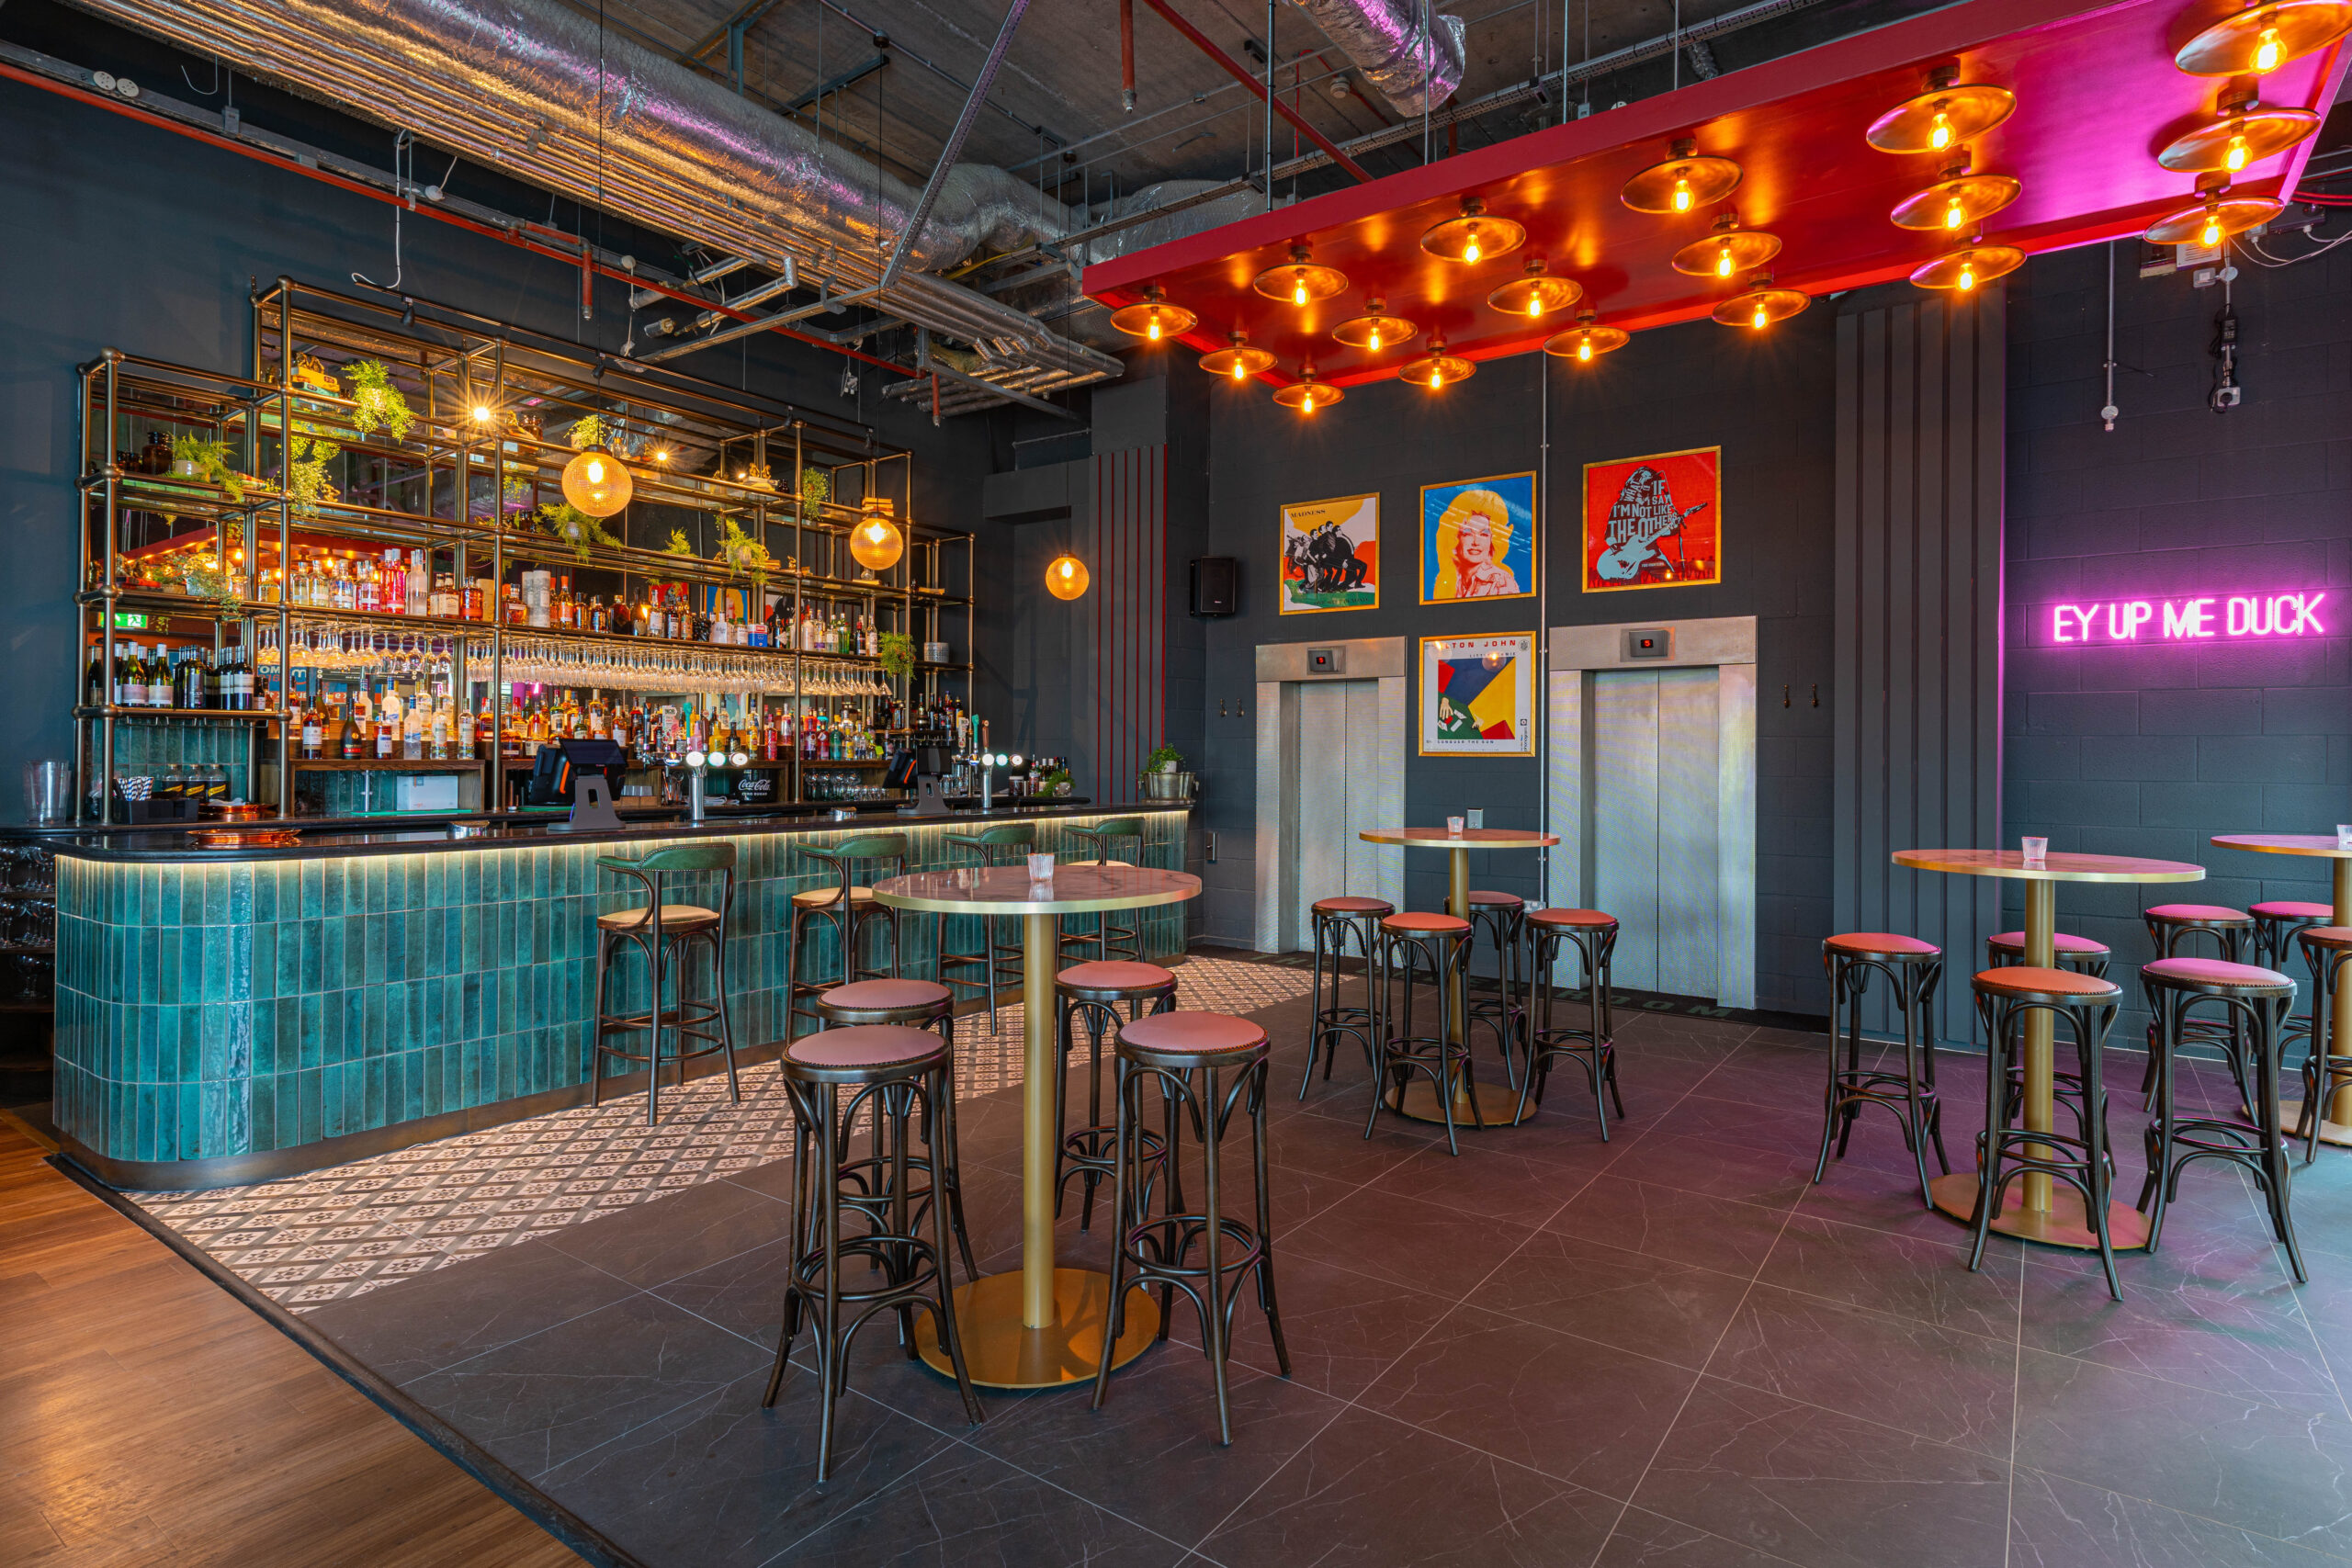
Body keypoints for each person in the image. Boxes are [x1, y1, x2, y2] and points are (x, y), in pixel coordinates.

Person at [1450, 504, 1521, 598]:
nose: (1475, 542)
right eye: (1468, 533)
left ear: (1492, 540)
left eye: (1484, 534)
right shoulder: (1447, 575)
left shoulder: (1502, 581)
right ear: (1457, 537)